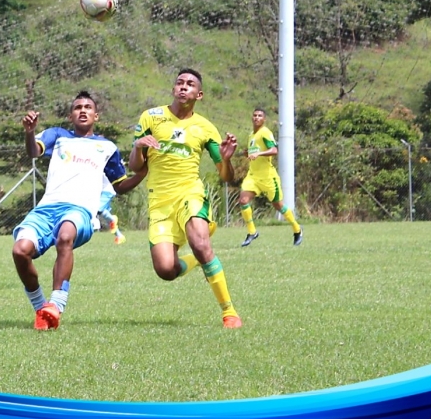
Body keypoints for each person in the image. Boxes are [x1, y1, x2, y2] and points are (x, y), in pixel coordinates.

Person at [12, 91, 146, 330]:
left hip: (79, 210)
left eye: (87, 107)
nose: (82, 110)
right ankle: (41, 308)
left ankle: (56, 304)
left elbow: (120, 186)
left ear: (96, 115)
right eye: (77, 107)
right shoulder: (57, 135)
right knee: (20, 251)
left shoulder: (108, 147)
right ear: (70, 115)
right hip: (46, 209)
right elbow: (33, 152)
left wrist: (143, 174)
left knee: (65, 236)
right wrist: (29, 132)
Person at [128, 68, 242, 329]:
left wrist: (225, 159)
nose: (183, 87)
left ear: (198, 94)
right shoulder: (151, 117)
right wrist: (137, 146)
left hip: (190, 194)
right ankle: (198, 260)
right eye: (179, 83)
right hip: (159, 203)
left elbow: (226, 177)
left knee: (201, 244)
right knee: (166, 271)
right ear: (173, 89)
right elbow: (136, 167)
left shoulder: (205, 128)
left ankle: (229, 312)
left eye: (190, 84)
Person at [239, 107, 302, 247]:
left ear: (264, 119)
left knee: (278, 205)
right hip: (253, 176)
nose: (256, 117)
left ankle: (297, 229)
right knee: (243, 200)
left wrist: (259, 154)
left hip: (268, 177)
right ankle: (252, 232)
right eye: (254, 115)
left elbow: (274, 150)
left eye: (260, 115)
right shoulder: (252, 135)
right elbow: (254, 152)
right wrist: (247, 153)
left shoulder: (265, 133)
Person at [98, 174, 126, 245]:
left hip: (107, 191)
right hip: (102, 191)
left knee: (97, 209)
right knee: (104, 214)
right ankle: (119, 236)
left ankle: (113, 219)